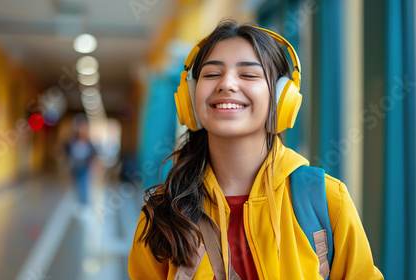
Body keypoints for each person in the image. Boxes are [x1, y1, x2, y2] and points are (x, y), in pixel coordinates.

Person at [128, 19, 383, 280]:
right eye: (212, 74)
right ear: (189, 98)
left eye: (249, 74)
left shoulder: (326, 200)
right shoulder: (163, 211)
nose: (226, 84)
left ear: (282, 99)